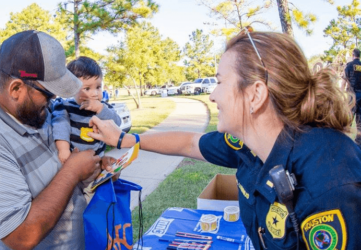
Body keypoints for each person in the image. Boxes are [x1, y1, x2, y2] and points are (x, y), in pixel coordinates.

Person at [88, 29, 361, 249]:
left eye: (220, 82)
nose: (212, 95)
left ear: (255, 94)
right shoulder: (249, 143)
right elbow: (189, 143)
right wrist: (124, 138)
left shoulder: (330, 183)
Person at [0, 30, 112, 250]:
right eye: (49, 94)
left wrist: (94, 170)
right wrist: (73, 170)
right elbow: (20, 237)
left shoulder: (35, 111)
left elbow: (58, 175)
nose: (54, 101)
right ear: (16, 89)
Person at [51, 56, 121, 199]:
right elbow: (60, 126)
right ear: (70, 89)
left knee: (96, 197)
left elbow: (117, 123)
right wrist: (63, 149)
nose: (95, 93)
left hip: (97, 166)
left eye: (98, 87)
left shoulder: (103, 108)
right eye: (87, 88)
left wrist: (100, 109)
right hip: (73, 163)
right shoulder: (65, 106)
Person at [345, 48, 361, 119]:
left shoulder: (348, 66)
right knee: (360, 121)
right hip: (360, 95)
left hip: (351, 95)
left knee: (349, 118)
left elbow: (343, 81)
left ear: (353, 55)